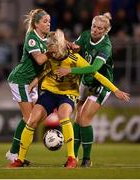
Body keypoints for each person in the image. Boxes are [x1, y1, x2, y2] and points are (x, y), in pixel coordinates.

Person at [8, 29, 129, 168]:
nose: (50, 53)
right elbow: (45, 71)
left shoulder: (75, 59)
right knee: (32, 120)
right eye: (49, 51)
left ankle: (71, 158)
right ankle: (20, 159)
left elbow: (97, 75)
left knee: (63, 116)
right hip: (49, 92)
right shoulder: (49, 56)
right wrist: (34, 83)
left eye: (52, 50)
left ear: (59, 48)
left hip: (67, 93)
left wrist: (116, 90)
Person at [56, 12, 130, 167]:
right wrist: (72, 47)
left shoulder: (106, 46)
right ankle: (73, 157)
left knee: (84, 119)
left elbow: (94, 68)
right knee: (76, 118)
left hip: (102, 84)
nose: (95, 30)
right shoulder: (85, 35)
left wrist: (70, 71)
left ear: (106, 31)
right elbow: (76, 51)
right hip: (86, 81)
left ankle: (87, 159)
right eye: (94, 27)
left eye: (100, 29)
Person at [6, 8, 51, 164]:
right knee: (29, 118)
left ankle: (14, 152)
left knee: (38, 117)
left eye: (49, 21)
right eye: (45, 21)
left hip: (30, 83)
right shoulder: (32, 37)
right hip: (19, 80)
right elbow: (39, 60)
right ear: (36, 24)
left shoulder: (46, 39)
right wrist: (53, 51)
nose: (48, 24)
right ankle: (13, 153)